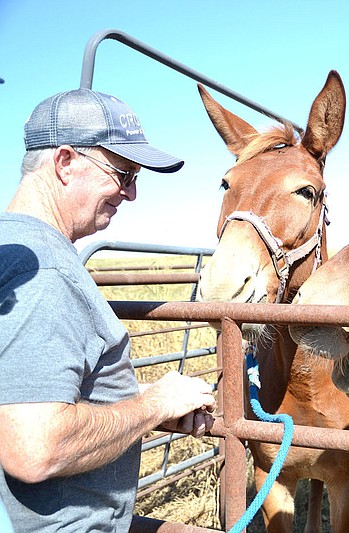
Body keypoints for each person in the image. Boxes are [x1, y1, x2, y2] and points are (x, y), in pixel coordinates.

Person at [0, 89, 217, 533]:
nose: (132, 193)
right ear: (64, 163)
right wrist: (152, 406)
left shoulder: (15, 254)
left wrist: (128, 404)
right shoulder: (43, 272)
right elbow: (34, 447)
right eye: (123, 172)